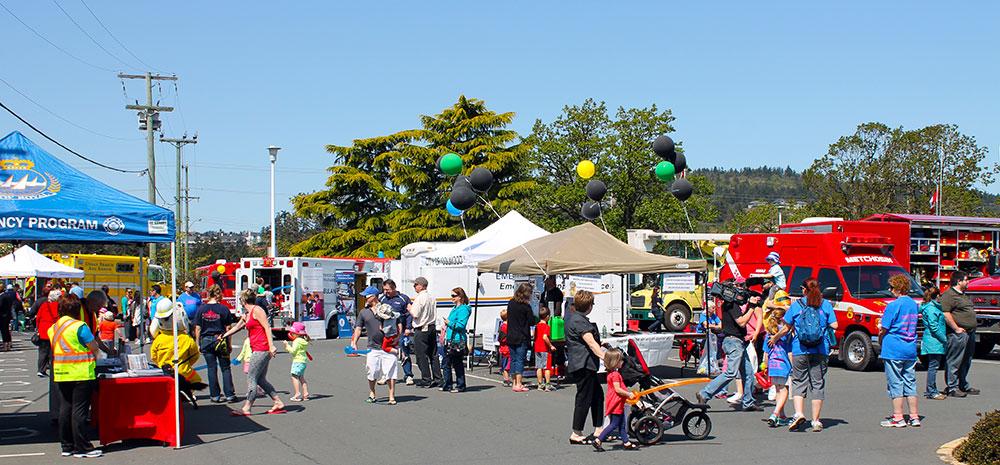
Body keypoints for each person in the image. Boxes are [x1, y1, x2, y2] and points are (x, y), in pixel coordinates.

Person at [49, 294, 113, 458]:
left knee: (65, 409)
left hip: (61, 372)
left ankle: (67, 445)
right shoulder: (80, 326)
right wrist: (101, 355)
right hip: (81, 372)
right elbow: (93, 346)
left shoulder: (54, 328)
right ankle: (82, 447)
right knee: (79, 411)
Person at [771, 278, 838, 432]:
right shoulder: (825, 304)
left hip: (800, 349)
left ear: (803, 289)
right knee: (817, 383)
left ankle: (799, 413)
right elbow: (835, 325)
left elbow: (786, 328)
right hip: (820, 349)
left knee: (799, 381)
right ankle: (815, 421)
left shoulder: (797, 305)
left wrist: (775, 338)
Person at [696, 279, 760, 412]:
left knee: (748, 373)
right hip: (734, 342)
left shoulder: (728, 304)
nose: (740, 290)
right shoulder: (732, 305)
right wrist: (752, 307)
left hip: (738, 342)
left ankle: (748, 402)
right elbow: (741, 322)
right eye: (737, 287)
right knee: (731, 373)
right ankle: (705, 393)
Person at [220, 289, 284, 416]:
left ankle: (247, 407)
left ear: (243, 300)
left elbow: (267, 327)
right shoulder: (247, 314)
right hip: (256, 348)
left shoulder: (257, 310)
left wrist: (271, 345)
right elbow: (237, 327)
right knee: (260, 379)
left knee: (252, 377)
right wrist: (223, 335)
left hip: (262, 348)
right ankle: (278, 401)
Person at [879, 274, 921, 428]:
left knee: (895, 383)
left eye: (891, 288)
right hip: (910, 346)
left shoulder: (893, 305)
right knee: (910, 382)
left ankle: (898, 417)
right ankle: (914, 416)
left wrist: (880, 336)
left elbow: (885, 327)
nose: (890, 290)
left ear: (896, 289)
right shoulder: (913, 304)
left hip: (894, 346)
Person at [566, 290, 607, 445]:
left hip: (583, 364)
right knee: (584, 398)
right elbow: (590, 343)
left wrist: (601, 345)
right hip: (583, 365)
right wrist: (606, 358)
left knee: (597, 396)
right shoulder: (580, 321)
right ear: (589, 306)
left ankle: (599, 429)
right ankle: (576, 433)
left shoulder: (574, 318)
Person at [149, 299, 206, 408]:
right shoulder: (186, 339)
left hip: (164, 370)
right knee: (196, 380)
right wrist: (187, 363)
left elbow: (153, 356)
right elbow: (195, 355)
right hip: (183, 370)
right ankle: (188, 393)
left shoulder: (159, 339)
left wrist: (161, 362)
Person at [352, 287, 399, 404]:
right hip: (372, 347)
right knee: (372, 372)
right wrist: (354, 342)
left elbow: (398, 323)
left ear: (374, 296)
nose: (365, 298)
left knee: (390, 372)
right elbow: (358, 329)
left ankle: (391, 396)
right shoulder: (364, 312)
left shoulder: (386, 308)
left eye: (366, 296)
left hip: (388, 346)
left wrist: (398, 337)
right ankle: (372, 393)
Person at [194, 285, 237, 403]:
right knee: (225, 368)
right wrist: (229, 343)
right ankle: (229, 394)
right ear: (219, 294)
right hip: (220, 339)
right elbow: (228, 328)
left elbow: (198, 328)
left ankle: (215, 395)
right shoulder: (223, 309)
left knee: (211, 368)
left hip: (206, 340)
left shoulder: (201, 310)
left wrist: (197, 343)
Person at [941, 271, 980, 398]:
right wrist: (956, 328)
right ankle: (952, 387)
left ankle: (963, 384)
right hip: (957, 334)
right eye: (966, 280)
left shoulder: (963, 295)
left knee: (966, 360)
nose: (968, 282)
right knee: (955, 360)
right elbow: (945, 314)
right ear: (959, 281)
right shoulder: (949, 295)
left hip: (970, 333)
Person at [592, 348, 639, 451]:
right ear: (615, 362)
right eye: (620, 360)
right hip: (616, 402)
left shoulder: (610, 373)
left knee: (622, 424)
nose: (622, 362)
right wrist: (628, 394)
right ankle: (598, 440)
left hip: (615, 401)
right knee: (614, 424)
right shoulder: (616, 375)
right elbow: (618, 389)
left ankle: (626, 442)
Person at [408, 276, 442, 388]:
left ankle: (426, 379)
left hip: (422, 328)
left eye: (416, 285)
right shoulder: (431, 297)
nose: (414, 287)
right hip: (432, 327)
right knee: (433, 354)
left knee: (421, 355)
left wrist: (409, 308)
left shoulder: (420, 298)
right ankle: (438, 378)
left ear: (421, 286)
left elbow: (415, 313)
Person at [763, 303, 792, 427]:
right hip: (783, 363)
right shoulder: (785, 333)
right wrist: (793, 365)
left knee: (778, 390)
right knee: (784, 389)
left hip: (773, 364)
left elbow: (765, 353)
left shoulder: (769, 333)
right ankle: (775, 414)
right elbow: (789, 351)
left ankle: (782, 415)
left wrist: (765, 366)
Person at [380, 279, 414, 385]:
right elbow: (380, 314)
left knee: (404, 352)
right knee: (386, 353)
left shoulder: (403, 298)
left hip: (401, 331)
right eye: (384, 289)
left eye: (388, 289)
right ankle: (386, 375)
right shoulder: (382, 299)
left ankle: (408, 375)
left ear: (394, 288)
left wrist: (408, 327)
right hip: (387, 332)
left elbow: (409, 314)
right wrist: (380, 326)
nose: (386, 292)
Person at [505, 283, 536, 393]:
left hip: (510, 335)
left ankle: (514, 382)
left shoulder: (511, 303)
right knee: (519, 360)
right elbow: (532, 321)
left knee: (513, 359)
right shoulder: (525, 306)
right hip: (521, 335)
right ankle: (518, 383)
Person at [441, 287, 471, 393]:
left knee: (457, 363)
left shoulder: (463, 309)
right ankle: (447, 384)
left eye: (454, 296)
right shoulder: (454, 308)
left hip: (457, 340)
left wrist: (449, 323)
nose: (452, 298)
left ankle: (461, 385)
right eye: (451, 296)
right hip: (450, 338)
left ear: (460, 297)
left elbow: (461, 325)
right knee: (446, 362)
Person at [920, 287, 948, 401]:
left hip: (933, 340)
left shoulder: (930, 307)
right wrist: (944, 338)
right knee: (933, 366)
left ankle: (932, 389)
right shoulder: (931, 309)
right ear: (937, 296)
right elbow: (934, 326)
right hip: (934, 340)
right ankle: (931, 391)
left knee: (934, 366)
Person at [34, 289, 62, 377]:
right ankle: (54, 369)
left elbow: (38, 318)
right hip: (54, 331)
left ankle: (41, 369)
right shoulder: (60, 306)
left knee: (42, 351)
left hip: (43, 331)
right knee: (53, 352)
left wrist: (38, 328)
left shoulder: (44, 306)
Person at [284, 322, 311, 401]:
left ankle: (297, 393)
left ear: (296, 333)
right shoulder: (303, 341)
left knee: (294, 376)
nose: (292, 335)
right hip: (303, 361)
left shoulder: (297, 341)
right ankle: (305, 393)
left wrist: (287, 346)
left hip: (297, 361)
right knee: (301, 377)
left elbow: (293, 351)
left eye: (293, 333)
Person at [535, 306, 556, 391]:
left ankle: (540, 384)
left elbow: (535, 335)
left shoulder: (537, 326)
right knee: (547, 367)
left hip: (537, 348)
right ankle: (547, 384)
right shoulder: (546, 327)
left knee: (539, 367)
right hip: (545, 349)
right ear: (547, 316)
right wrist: (551, 345)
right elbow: (544, 337)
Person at [498, 309, 511, 386]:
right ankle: (506, 380)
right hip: (506, 348)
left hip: (505, 348)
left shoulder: (503, 326)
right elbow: (502, 338)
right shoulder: (505, 327)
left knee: (506, 365)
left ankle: (506, 379)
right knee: (506, 366)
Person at [0, 283, 13, 351]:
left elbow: (0, 306)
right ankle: (8, 344)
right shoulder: (7, 296)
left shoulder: (2, 297)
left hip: (2, 316)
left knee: (4, 331)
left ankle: (5, 345)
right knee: (6, 331)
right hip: (8, 315)